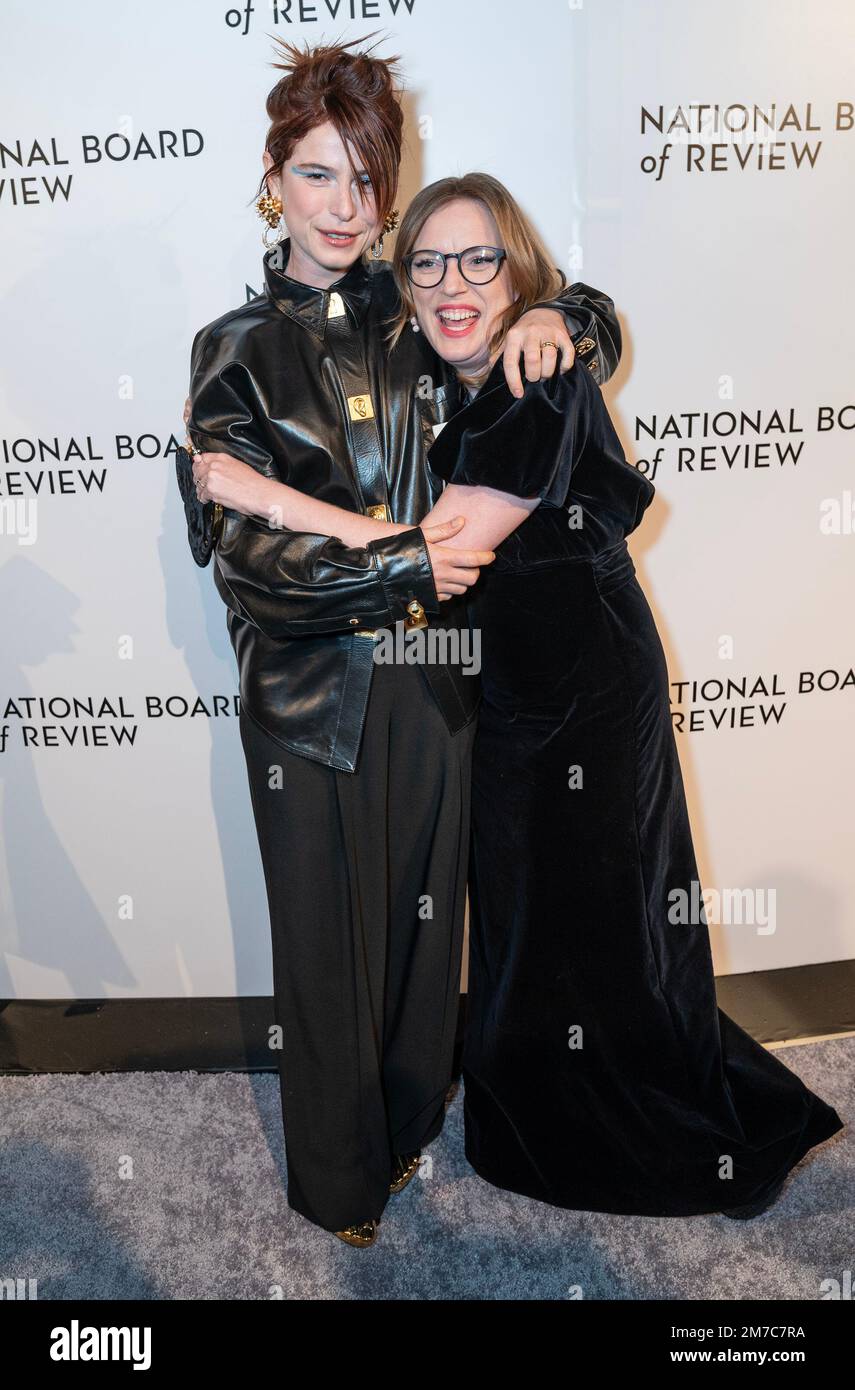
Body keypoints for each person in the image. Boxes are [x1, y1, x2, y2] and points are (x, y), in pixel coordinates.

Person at [215, 168, 844, 1222]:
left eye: (479, 260)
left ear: (518, 275)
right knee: (516, 928)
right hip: (496, 695)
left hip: (587, 686)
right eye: (426, 263)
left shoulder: (532, 379)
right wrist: (573, 311)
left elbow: (449, 545)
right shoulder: (432, 371)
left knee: (598, 917)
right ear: (402, 281)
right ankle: (533, 1113)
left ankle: (615, 1128)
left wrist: (264, 495)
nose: (452, 283)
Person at [180, 38, 622, 1246]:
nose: (348, 207)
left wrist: (563, 310)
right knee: (329, 957)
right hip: (309, 702)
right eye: (318, 175)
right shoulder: (234, 352)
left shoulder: (418, 314)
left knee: (430, 943)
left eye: (369, 178)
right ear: (274, 179)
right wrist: (404, 560)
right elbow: (253, 562)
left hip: (437, 689)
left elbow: (546, 350)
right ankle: (337, 1185)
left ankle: (415, 1123)